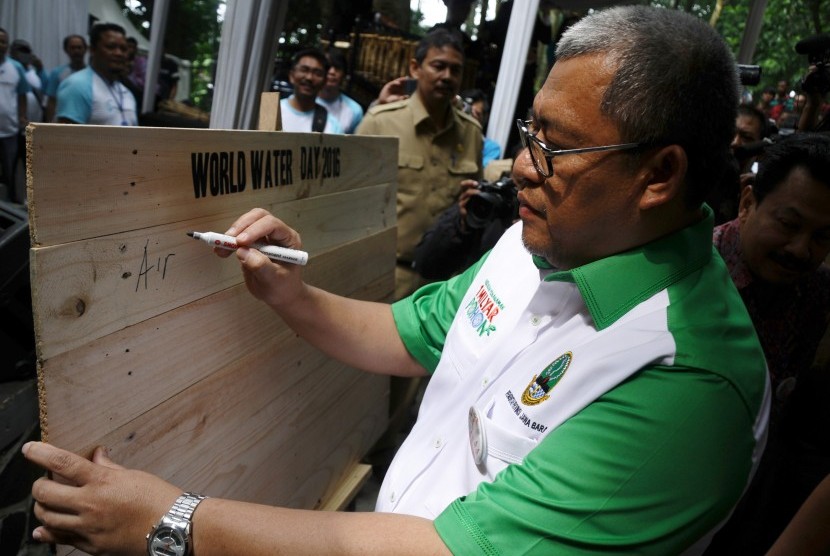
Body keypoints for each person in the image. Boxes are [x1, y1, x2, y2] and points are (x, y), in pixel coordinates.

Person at [25, 6, 769, 554]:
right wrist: (289, 292)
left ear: (659, 174)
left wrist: (171, 522)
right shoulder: (536, 242)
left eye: (557, 147)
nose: (519, 167)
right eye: (529, 134)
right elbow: (403, 336)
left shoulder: (684, 385)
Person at [706, 133, 830, 555]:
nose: (801, 250)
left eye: (822, 237)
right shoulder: (688, 277)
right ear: (747, 201)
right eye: (789, 225)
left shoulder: (817, 295)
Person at [356, 28, 482, 299]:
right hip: (385, 274)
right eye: (438, 66)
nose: (447, 76)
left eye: (455, 70)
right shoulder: (380, 123)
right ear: (415, 68)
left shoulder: (471, 133)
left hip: (443, 283)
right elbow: (350, 202)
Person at [56, 23, 138, 126]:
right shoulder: (76, 85)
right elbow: (66, 139)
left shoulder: (127, 92)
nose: (119, 53)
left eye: (123, 49)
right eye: (111, 47)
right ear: (92, 50)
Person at [279, 48, 341, 133]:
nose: (309, 77)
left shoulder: (332, 126)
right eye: (304, 70)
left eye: (317, 73)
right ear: (291, 75)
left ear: (324, 81)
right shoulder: (274, 112)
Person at [0, 28, 29, 204]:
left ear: (7, 46)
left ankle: (9, 210)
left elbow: (22, 94)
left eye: (3, 41)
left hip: (9, 131)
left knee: (9, 173)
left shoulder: (16, 67)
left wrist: (22, 116)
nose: (0, 45)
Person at [316, 49, 364, 134]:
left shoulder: (355, 110)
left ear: (344, 75)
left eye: (337, 68)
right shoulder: (304, 102)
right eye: (328, 67)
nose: (332, 72)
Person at [43, 34, 87, 123]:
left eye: (79, 47)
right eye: (73, 48)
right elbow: (52, 101)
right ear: (66, 50)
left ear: (85, 49)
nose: (76, 51)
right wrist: (49, 124)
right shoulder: (57, 73)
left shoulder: (93, 74)